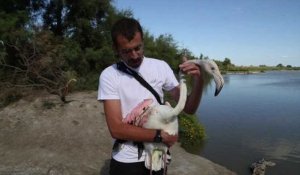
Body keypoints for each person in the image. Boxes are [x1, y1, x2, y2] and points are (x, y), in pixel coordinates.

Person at [97, 17, 203, 175]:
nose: (134, 55)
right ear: (116, 49)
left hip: (157, 154)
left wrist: (199, 81)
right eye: (126, 51)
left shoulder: (161, 67)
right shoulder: (109, 75)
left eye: (138, 48)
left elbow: (188, 108)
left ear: (143, 41)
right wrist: (160, 136)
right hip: (127, 159)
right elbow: (116, 129)